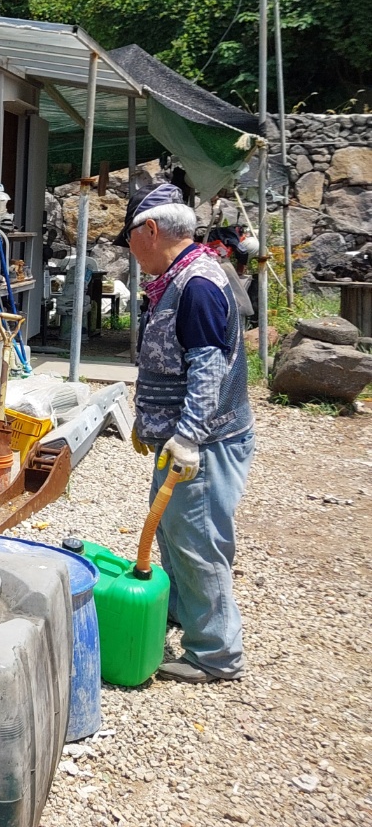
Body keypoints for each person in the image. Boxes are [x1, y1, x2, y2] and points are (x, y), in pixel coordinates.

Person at [116, 181, 254, 683]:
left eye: (129, 239)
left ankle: (215, 653)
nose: (129, 252)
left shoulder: (196, 283)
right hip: (180, 438)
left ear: (150, 230)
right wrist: (147, 419)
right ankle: (180, 611)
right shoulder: (178, 278)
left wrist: (189, 435)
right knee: (176, 533)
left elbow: (207, 369)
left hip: (203, 442)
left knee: (198, 543)